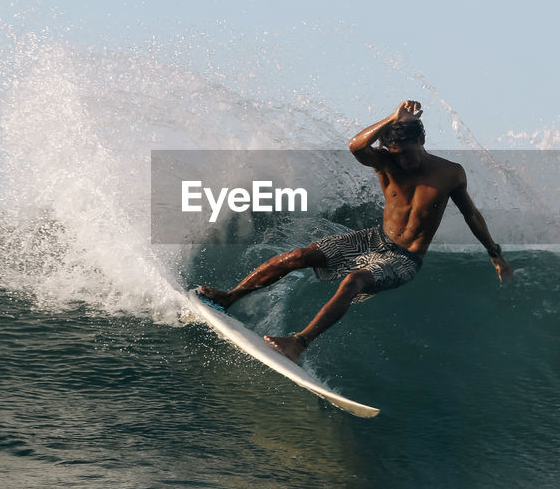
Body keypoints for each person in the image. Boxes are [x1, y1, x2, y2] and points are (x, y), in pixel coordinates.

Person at [197, 100, 513, 363]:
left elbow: (470, 213)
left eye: (408, 152)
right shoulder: (386, 163)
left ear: (422, 142)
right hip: (374, 238)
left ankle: (298, 344)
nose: (404, 160)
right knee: (299, 256)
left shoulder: (450, 173)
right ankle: (229, 297)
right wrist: (393, 116)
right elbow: (355, 145)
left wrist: (495, 253)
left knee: (354, 280)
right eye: (396, 153)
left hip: (405, 259)